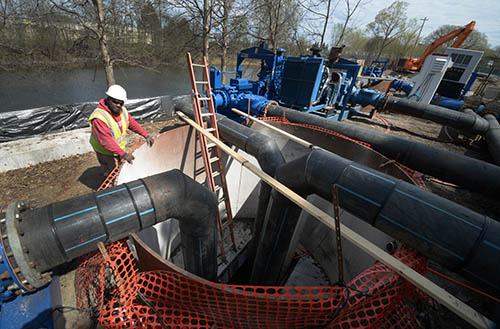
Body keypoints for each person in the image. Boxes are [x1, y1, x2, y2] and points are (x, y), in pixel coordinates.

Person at [89, 84, 154, 177]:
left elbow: (132, 123)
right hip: (105, 151)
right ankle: (110, 186)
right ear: (108, 99)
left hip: (118, 149)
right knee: (112, 174)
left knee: (120, 169)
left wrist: (146, 135)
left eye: (121, 103)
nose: (119, 105)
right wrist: (124, 154)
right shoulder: (99, 118)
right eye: (115, 102)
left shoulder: (122, 111)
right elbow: (106, 141)